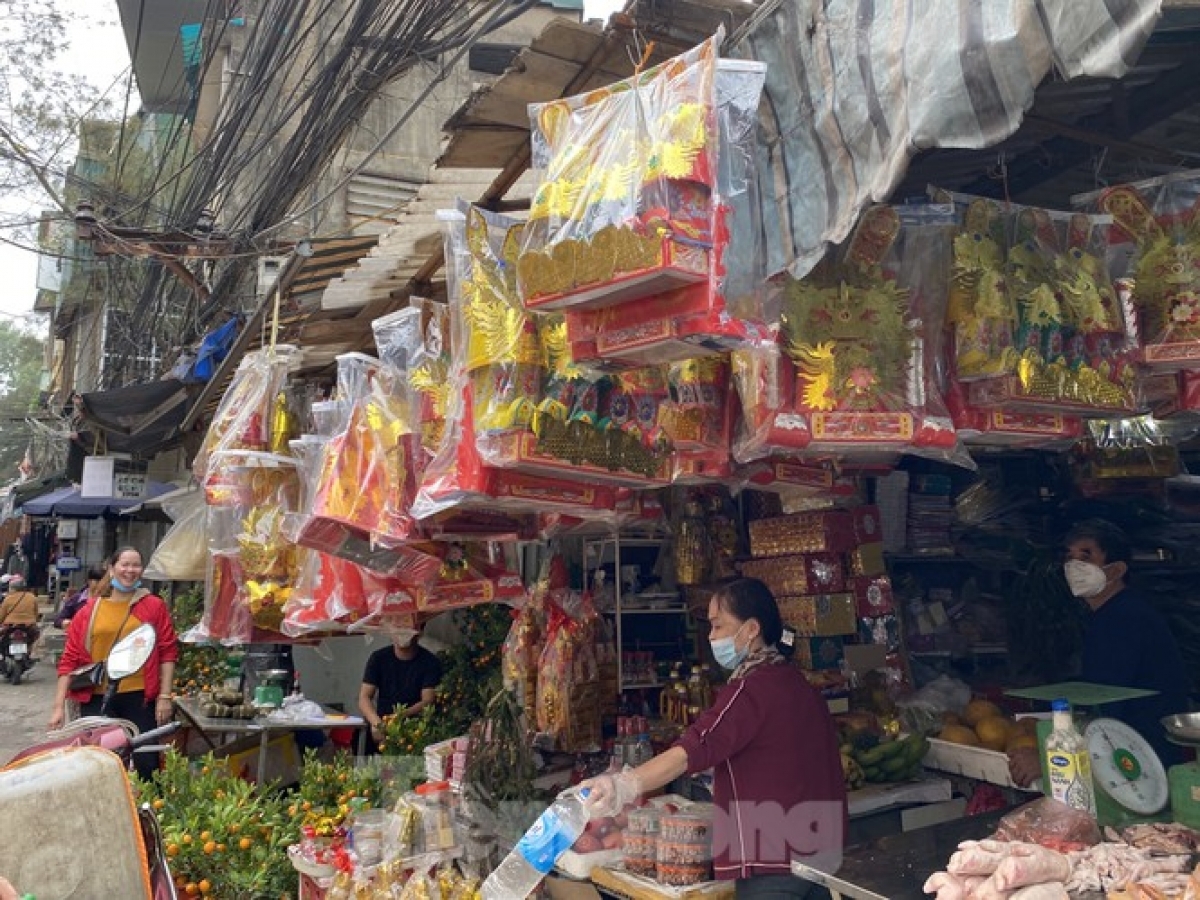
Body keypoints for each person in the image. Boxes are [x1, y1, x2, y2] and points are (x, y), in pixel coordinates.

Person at [585, 578, 847, 898]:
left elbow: (692, 749)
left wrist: (623, 785)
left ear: (751, 629)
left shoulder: (750, 690)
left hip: (772, 856)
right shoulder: (796, 682)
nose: (711, 637)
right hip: (817, 851)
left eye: (718, 626)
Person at [1008, 519, 1190, 787]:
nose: (1074, 565)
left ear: (1115, 570)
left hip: (1142, 762)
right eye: (1070, 556)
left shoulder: (1125, 620)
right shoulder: (1112, 615)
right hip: (1132, 755)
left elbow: (1108, 706)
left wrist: (1049, 759)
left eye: (1086, 555)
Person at [49, 547, 178, 778]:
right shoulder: (89, 611)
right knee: (101, 765)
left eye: (136, 565)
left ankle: (148, 812)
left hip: (139, 696)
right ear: (112, 569)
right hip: (97, 697)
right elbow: (69, 660)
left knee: (147, 762)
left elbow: (167, 652)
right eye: (124, 565)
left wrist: (165, 696)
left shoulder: (153, 606)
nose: (130, 570)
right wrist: (58, 707)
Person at [358, 622, 442, 753]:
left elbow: (428, 700)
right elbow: (364, 697)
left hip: (415, 730)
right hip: (381, 726)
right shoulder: (378, 658)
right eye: (397, 628)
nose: (401, 634)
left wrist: (399, 717)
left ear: (418, 632)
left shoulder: (430, 662)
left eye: (406, 628)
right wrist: (377, 724)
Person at [0, 574, 40, 654]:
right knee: (35, 637)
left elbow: (2, 615)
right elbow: (36, 614)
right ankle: (29, 652)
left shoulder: (8, 599)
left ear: (12, 588)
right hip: (29, 626)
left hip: (10, 626)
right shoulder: (32, 597)